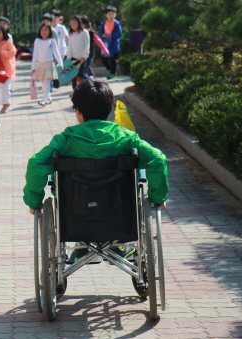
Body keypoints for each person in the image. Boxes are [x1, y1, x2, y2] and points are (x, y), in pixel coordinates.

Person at [23, 79, 169, 215]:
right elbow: (157, 158)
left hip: (74, 211)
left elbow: (36, 163)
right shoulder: (127, 138)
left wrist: (34, 202)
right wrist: (157, 198)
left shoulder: (64, 141)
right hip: (121, 209)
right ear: (109, 109)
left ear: (78, 111)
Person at [31, 24, 63, 106]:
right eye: (42, 30)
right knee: (43, 83)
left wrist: (60, 63)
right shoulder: (37, 41)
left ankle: (43, 100)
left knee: (47, 82)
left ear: (50, 32)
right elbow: (35, 54)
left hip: (49, 64)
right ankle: (48, 98)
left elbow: (56, 53)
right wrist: (33, 66)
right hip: (40, 65)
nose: (44, 32)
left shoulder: (52, 41)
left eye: (46, 30)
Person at [0, 25, 17, 114]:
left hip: (8, 69)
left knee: (5, 87)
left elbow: (13, 52)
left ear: (3, 33)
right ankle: (3, 103)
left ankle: (7, 104)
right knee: (0, 88)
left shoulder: (8, 43)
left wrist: (2, 53)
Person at [98, 6, 123, 79]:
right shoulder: (103, 23)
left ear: (115, 15)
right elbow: (100, 32)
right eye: (109, 14)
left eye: (113, 14)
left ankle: (113, 73)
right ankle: (109, 69)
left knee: (113, 60)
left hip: (114, 45)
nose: (111, 15)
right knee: (104, 60)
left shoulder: (116, 24)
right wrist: (103, 35)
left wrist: (111, 35)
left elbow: (119, 33)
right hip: (105, 45)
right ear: (106, 15)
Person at [66, 15, 90, 89]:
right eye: (71, 24)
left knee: (81, 74)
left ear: (79, 23)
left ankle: (93, 83)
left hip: (81, 58)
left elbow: (87, 45)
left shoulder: (84, 32)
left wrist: (85, 56)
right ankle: (75, 91)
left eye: (74, 24)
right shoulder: (71, 35)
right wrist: (68, 59)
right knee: (73, 75)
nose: (73, 26)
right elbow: (70, 48)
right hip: (73, 58)